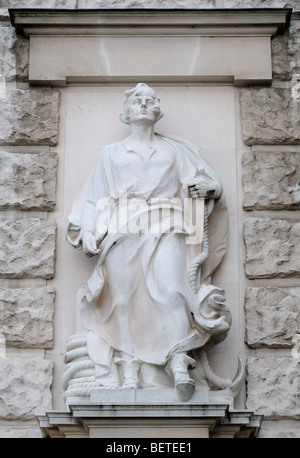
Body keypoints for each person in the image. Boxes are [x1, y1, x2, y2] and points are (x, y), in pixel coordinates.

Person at [66, 83, 230, 401]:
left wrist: (209, 187)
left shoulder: (172, 152)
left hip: (165, 225)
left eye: (149, 101)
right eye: (136, 101)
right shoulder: (110, 153)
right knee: (123, 301)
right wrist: (88, 229)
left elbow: (207, 182)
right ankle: (129, 372)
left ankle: (177, 361)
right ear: (126, 113)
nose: (143, 104)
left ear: (157, 110)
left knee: (171, 291)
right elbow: (93, 199)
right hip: (121, 229)